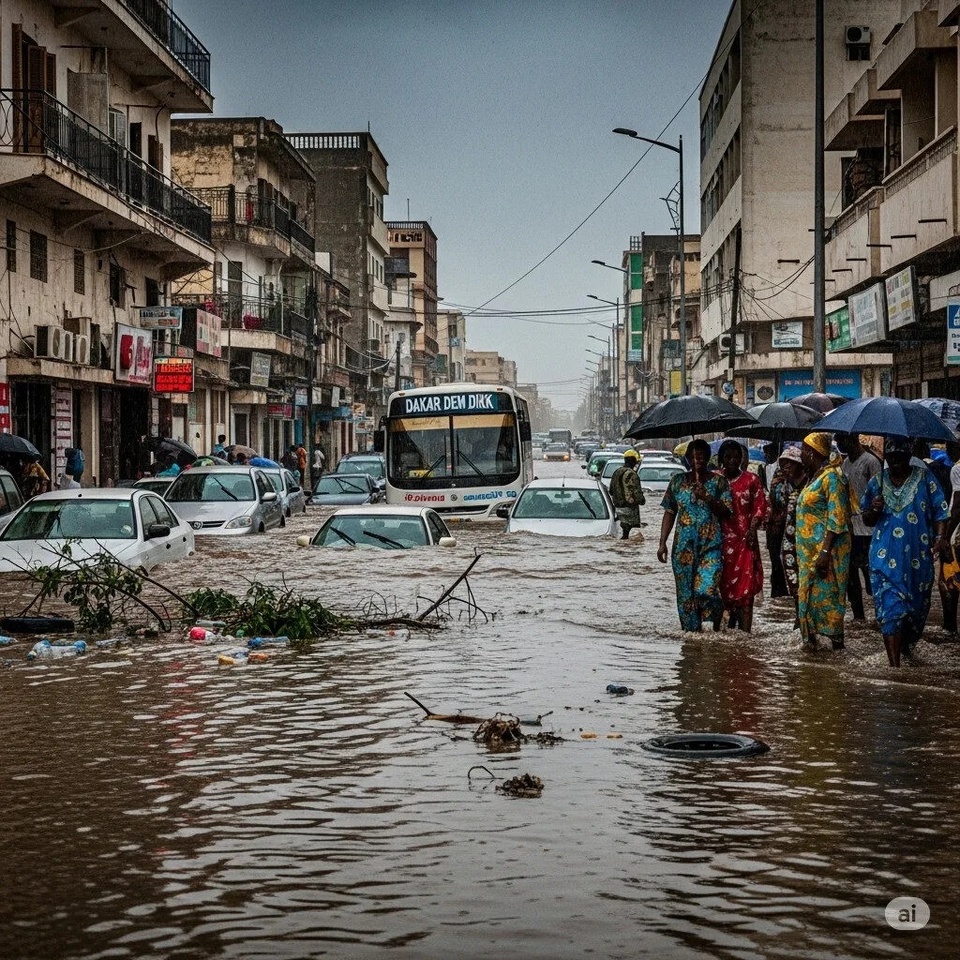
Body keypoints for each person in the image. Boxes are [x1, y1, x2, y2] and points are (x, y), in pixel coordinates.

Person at [861, 435, 949, 667]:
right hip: (883, 558)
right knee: (891, 609)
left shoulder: (925, 479)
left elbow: (940, 512)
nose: (896, 462)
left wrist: (940, 538)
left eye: (901, 457)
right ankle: (894, 668)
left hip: (918, 561)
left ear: (910, 456)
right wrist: (873, 508)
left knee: (916, 612)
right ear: (887, 458)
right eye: (892, 457)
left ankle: (907, 650)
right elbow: (866, 518)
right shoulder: (876, 482)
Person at [657, 437, 733, 632]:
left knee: (705, 590)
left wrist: (707, 497)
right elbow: (669, 512)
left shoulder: (719, 482)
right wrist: (662, 542)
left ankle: (718, 614)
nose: (697, 459)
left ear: (708, 458)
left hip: (711, 546)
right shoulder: (677, 482)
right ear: (688, 459)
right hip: (683, 549)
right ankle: (693, 642)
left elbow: (726, 512)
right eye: (693, 456)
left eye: (701, 456)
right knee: (686, 598)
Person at [795, 432, 852, 651]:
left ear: (813, 453)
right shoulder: (815, 477)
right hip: (807, 556)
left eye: (803, 450)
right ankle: (811, 653)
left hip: (825, 555)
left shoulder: (832, 478)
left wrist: (825, 553)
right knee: (807, 604)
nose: (800, 454)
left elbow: (837, 518)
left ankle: (837, 653)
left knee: (829, 603)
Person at [717, 439, 767, 631]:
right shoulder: (715, 480)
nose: (732, 460)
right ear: (721, 458)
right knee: (722, 594)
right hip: (719, 544)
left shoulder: (751, 480)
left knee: (745, 595)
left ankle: (746, 638)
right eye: (728, 457)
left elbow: (760, 508)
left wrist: (753, 529)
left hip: (745, 543)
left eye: (736, 456)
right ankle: (726, 637)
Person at [835, 432, 881, 622]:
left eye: (842, 440)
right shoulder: (845, 464)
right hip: (850, 527)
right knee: (851, 575)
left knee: (872, 574)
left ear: (852, 439)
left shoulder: (871, 462)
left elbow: (879, 492)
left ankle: (880, 614)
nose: (839, 445)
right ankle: (858, 616)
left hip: (869, 528)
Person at [776, 445, 808, 615]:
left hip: (806, 539)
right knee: (793, 580)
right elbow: (780, 509)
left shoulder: (809, 484)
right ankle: (799, 615)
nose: (786, 468)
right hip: (789, 541)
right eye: (783, 465)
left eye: (790, 464)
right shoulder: (786, 485)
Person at [608, 448, 645, 540]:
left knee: (623, 532)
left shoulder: (616, 472)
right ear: (634, 461)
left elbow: (611, 490)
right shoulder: (632, 474)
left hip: (617, 507)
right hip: (629, 508)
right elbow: (637, 493)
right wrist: (642, 500)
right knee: (627, 534)